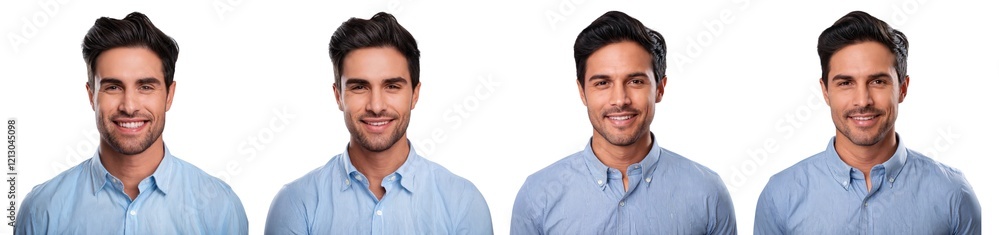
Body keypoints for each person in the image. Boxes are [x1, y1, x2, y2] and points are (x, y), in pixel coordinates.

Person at [15, 12, 248, 234]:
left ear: (169, 95)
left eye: (145, 87)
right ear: (91, 96)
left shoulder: (219, 206)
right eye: (113, 87)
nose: (129, 106)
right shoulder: (42, 209)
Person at [753, 11, 981, 234]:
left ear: (902, 89)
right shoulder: (780, 196)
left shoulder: (954, 195)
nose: (863, 100)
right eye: (845, 83)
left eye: (878, 81)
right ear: (825, 91)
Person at [264, 12, 493, 234]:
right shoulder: (295, 204)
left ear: (415, 94)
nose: (376, 106)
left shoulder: (463, 203)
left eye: (392, 86)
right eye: (359, 87)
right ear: (338, 96)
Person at [510, 10, 736, 234]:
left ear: (659, 88)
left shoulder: (708, 193)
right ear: (582, 92)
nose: (620, 100)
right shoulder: (537, 197)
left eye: (636, 81)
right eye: (602, 83)